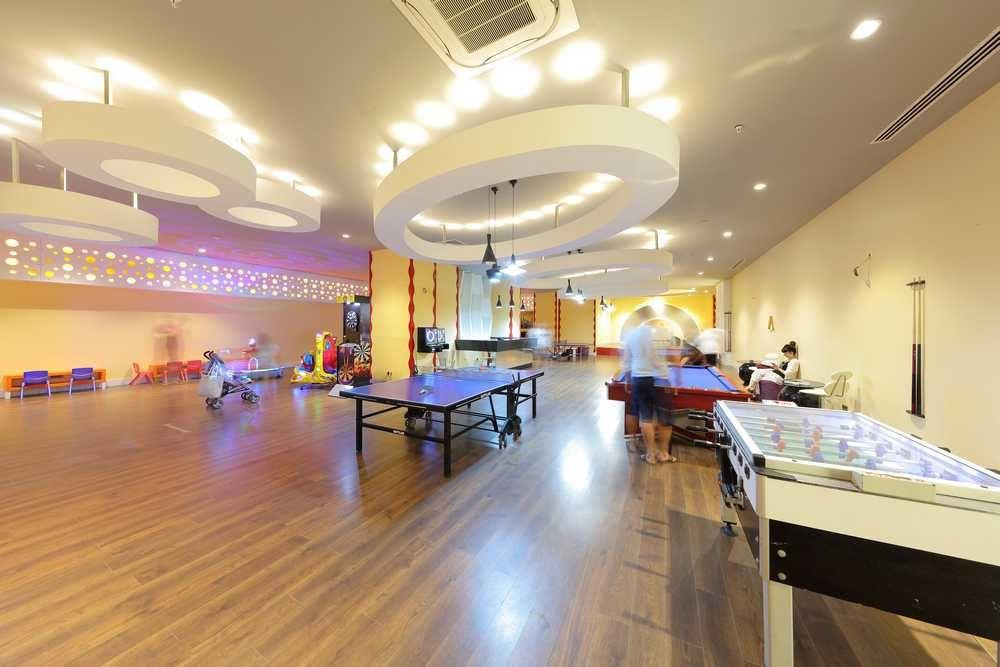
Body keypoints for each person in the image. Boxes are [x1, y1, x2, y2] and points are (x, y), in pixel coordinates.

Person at [623, 323, 676, 464]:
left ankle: (650, 455)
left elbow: (627, 361)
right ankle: (664, 454)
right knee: (664, 418)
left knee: (645, 418)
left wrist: (627, 380)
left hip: (640, 378)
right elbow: (671, 356)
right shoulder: (662, 332)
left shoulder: (632, 335)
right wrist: (673, 379)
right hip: (661, 378)